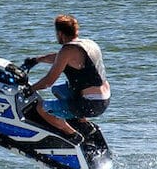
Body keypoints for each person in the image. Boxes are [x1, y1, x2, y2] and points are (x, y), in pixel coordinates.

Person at [23, 15, 110, 144]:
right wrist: (37, 60)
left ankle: (73, 135)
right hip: (104, 99)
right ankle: (84, 124)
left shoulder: (67, 50)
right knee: (58, 90)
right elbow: (59, 58)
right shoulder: (88, 44)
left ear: (60, 34)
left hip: (90, 104)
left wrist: (29, 89)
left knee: (41, 108)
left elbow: (48, 81)